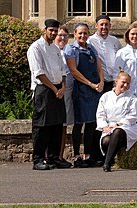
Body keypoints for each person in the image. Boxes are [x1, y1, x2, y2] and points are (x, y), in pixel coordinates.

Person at [26, 18, 68, 170]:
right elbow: (38, 73)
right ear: (45, 30)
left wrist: (62, 87)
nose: (53, 33)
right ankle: (38, 159)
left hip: (57, 89)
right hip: (44, 89)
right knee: (42, 126)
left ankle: (53, 157)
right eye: (51, 30)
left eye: (56, 31)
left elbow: (63, 70)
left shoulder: (56, 49)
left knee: (56, 125)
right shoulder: (35, 48)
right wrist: (54, 89)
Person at [64, 22, 104, 168]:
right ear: (74, 34)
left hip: (94, 89)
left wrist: (101, 81)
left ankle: (87, 155)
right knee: (79, 123)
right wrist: (90, 84)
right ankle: (76, 156)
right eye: (80, 33)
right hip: (80, 88)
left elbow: (99, 66)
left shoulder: (91, 47)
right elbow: (74, 71)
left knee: (92, 123)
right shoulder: (71, 49)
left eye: (85, 33)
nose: (83, 36)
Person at [96, 71, 137, 172]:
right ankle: (112, 160)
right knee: (105, 141)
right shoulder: (105, 97)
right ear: (116, 81)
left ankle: (107, 163)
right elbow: (100, 114)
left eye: (128, 83)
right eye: (123, 82)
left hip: (127, 127)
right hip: (109, 127)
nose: (125, 85)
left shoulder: (132, 98)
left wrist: (119, 124)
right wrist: (104, 126)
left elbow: (133, 116)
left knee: (118, 131)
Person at [55, 25, 74, 166]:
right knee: (51, 124)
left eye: (65, 36)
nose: (62, 38)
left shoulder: (69, 51)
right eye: (59, 35)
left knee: (63, 124)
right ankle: (49, 156)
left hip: (67, 90)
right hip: (52, 89)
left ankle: (60, 156)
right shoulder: (50, 50)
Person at [88, 15, 121, 92]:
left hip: (113, 81)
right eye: (101, 24)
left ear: (110, 26)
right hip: (98, 81)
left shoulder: (114, 40)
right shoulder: (90, 41)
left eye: (106, 24)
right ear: (96, 26)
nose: (104, 27)